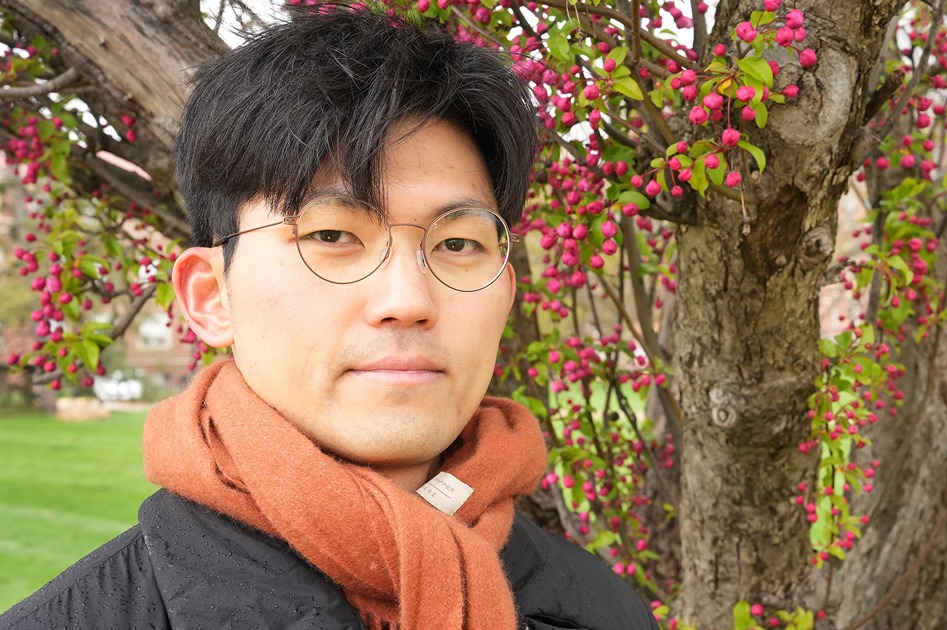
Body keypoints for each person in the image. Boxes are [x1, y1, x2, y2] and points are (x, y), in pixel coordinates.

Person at [0, 8, 656, 630]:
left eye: (457, 245)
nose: (408, 298)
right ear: (210, 296)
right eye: (332, 235)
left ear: (505, 292)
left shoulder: (602, 610)